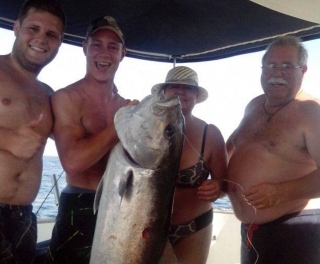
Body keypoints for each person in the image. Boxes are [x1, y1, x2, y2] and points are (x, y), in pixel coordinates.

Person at [46, 16, 137, 263]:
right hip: (79, 205)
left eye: (112, 47)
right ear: (85, 47)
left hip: (121, 207)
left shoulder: (125, 107)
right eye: (97, 44)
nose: (104, 53)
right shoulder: (66, 98)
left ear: (123, 53)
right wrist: (120, 126)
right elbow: (72, 162)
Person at [227, 35, 320, 264]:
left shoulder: (311, 112)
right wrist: (218, 183)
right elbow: (230, 147)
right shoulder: (254, 105)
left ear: (303, 70)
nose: (277, 73)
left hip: (292, 231)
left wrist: (281, 191)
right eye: (270, 65)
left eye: (287, 66)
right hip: (251, 232)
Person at [0, 0, 65, 263]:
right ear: (16, 28)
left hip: (25, 216)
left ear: (59, 43)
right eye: (33, 28)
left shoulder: (48, 95)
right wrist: (7, 138)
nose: (41, 39)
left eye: (51, 34)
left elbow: (73, 140)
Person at [151, 66, 227, 264]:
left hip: (195, 227)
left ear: (196, 96)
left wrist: (218, 186)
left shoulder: (210, 134)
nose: (180, 91)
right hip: (149, 228)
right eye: (173, 86)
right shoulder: (145, 130)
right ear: (164, 93)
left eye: (188, 88)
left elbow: (225, 184)